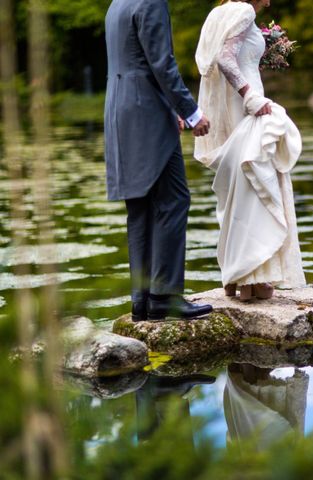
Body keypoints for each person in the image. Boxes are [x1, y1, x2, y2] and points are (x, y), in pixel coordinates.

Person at [104, 0, 214, 321]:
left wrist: (171, 110)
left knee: (139, 207)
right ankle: (164, 295)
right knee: (173, 199)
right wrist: (190, 112)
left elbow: (135, 63)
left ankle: (141, 299)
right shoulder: (151, 1)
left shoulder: (117, 4)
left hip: (120, 110)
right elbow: (161, 64)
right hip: (145, 112)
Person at [194, 0, 306, 302]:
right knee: (255, 185)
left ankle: (235, 278)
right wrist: (250, 96)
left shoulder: (218, 12)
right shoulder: (244, 12)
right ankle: (253, 277)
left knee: (237, 191)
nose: (269, 0)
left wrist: (263, 51)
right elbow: (225, 60)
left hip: (232, 110)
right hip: (247, 106)